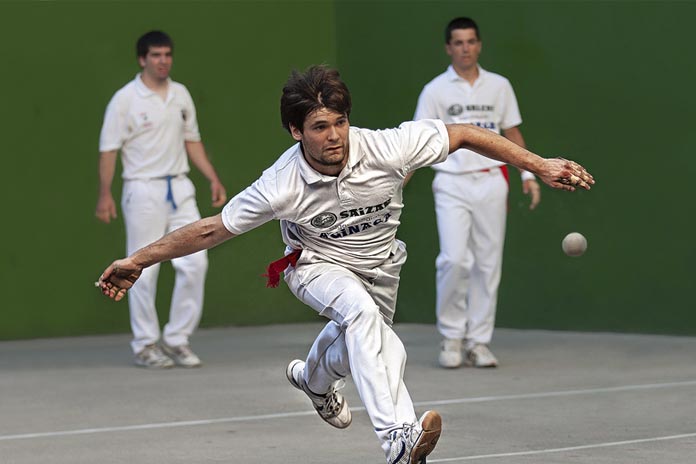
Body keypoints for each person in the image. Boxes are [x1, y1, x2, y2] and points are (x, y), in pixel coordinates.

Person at [96, 65, 593, 463]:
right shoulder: (280, 183)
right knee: (366, 323)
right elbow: (210, 229)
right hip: (313, 265)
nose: (334, 136)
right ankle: (398, 440)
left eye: (339, 122)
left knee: (365, 347)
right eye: (319, 127)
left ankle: (311, 381)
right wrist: (138, 258)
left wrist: (540, 164)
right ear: (296, 131)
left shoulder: (386, 147)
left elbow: (463, 134)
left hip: (381, 267)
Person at [95, 30, 228, 369]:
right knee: (140, 266)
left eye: (167, 54)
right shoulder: (125, 100)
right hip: (142, 190)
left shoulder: (181, 95)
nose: (163, 60)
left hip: (180, 189)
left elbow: (192, 141)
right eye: (156, 55)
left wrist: (212, 177)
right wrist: (105, 194)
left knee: (196, 262)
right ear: (142, 59)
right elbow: (108, 150)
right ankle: (145, 344)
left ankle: (177, 338)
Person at [412, 17, 540, 369]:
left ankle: (478, 341)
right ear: (448, 48)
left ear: (479, 45)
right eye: (458, 42)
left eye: (471, 41)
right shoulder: (434, 90)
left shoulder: (499, 86)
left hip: (491, 181)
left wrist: (528, 174)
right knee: (454, 260)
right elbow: (418, 140)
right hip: (451, 183)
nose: (465, 48)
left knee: (487, 262)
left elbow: (511, 134)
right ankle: (452, 337)